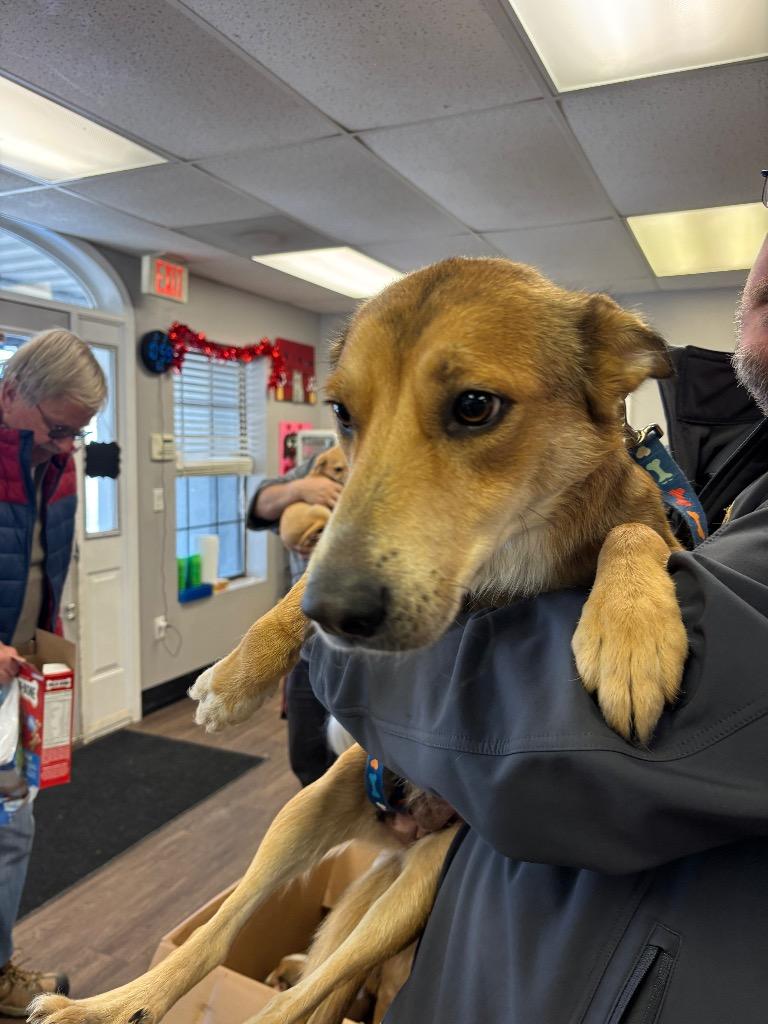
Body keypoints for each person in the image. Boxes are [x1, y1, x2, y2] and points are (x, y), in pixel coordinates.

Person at [307, 222, 768, 1019]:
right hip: (494, 962)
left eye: (473, 407)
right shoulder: (739, 449)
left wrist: (338, 659)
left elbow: (562, 755)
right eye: (349, 416)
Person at [0, 329, 106, 1016]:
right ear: (10, 394)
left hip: (18, 685)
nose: (69, 447)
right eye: (59, 428)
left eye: (79, 433)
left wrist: (50, 659)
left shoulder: (57, 464)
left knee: (13, 828)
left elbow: (42, 575)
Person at [248, 451, 343, 786]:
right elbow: (259, 503)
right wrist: (302, 489)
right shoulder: (326, 463)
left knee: (359, 765)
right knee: (307, 758)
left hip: (372, 653)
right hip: (309, 647)